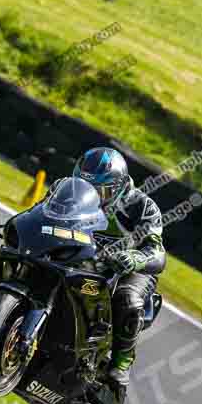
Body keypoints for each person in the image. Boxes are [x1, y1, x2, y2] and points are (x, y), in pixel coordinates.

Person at [73, 147, 166, 390]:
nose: (92, 195)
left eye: (100, 191)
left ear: (119, 187)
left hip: (130, 269)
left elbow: (158, 254)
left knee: (127, 299)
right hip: (83, 258)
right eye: (84, 185)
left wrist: (135, 258)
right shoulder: (71, 194)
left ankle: (121, 364)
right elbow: (45, 214)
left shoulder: (142, 207)